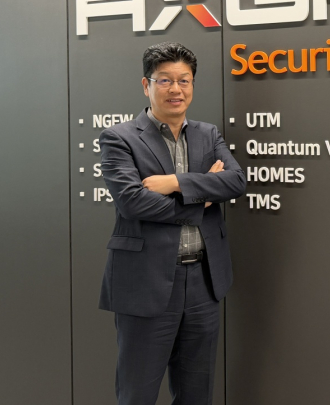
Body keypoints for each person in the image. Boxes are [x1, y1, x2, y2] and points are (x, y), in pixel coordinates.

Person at [98, 42, 245, 405]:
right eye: (165, 80)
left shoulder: (208, 134)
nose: (176, 89)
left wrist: (174, 182)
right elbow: (132, 201)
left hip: (203, 283)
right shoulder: (119, 138)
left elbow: (235, 182)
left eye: (184, 80)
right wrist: (203, 194)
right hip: (145, 283)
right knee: (138, 394)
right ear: (146, 85)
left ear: (192, 84)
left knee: (196, 394)